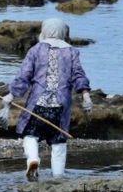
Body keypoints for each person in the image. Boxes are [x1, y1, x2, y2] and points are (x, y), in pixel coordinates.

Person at [6, 18, 92, 180]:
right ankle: (58, 178)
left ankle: (33, 159)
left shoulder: (35, 50)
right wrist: (86, 95)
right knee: (59, 142)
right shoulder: (72, 52)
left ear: (45, 31)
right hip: (60, 107)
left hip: (38, 104)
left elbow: (24, 76)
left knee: (30, 135)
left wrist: (11, 95)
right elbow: (78, 75)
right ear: (62, 32)